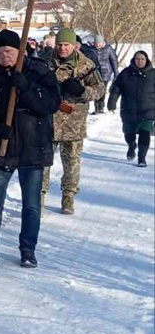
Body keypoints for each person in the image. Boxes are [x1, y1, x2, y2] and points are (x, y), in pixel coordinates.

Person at [0, 29, 61, 271]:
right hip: (0, 147)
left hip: (33, 146)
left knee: (31, 204)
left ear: (19, 51)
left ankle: (28, 250)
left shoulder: (39, 70)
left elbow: (51, 104)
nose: (4, 56)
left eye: (8, 51)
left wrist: (27, 88)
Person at [41, 26, 105, 214]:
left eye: (66, 45)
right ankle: (39, 196)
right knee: (42, 162)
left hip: (73, 122)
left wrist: (82, 91)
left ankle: (68, 197)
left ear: (74, 46)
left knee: (72, 163)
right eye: (60, 44)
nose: (62, 48)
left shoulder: (86, 65)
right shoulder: (44, 62)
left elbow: (100, 90)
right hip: (47, 121)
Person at [108, 50, 155, 166]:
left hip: (147, 111)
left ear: (146, 60)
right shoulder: (126, 73)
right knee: (129, 134)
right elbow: (116, 88)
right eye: (137, 59)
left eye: (142, 59)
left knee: (145, 133)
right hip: (129, 110)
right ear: (134, 60)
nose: (140, 61)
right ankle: (131, 146)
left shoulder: (153, 74)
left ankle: (142, 158)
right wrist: (112, 102)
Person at [90, 35, 119, 114]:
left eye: (99, 43)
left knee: (102, 90)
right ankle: (96, 108)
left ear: (102, 42)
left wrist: (116, 73)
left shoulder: (108, 49)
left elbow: (114, 61)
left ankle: (101, 107)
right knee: (96, 90)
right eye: (96, 43)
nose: (98, 45)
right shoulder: (91, 50)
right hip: (95, 73)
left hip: (106, 72)